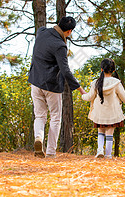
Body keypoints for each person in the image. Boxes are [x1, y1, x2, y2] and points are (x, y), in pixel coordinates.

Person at [28, 17, 86, 158]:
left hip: (35, 81)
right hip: (51, 86)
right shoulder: (60, 45)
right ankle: (50, 152)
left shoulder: (41, 32)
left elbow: (41, 31)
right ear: (69, 31)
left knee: (40, 115)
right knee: (55, 117)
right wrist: (79, 88)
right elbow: (65, 70)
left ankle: (39, 137)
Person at [82, 58, 125, 158]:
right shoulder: (116, 83)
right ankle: (108, 155)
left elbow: (89, 97)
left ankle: (99, 150)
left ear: (101, 69)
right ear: (113, 70)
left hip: (99, 113)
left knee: (100, 132)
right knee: (110, 134)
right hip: (113, 113)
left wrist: (82, 95)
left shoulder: (96, 83)